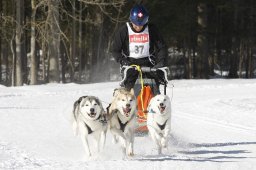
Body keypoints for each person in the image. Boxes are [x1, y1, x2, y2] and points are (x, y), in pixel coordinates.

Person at [112, 4, 168, 91]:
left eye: (141, 25)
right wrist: (123, 61)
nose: (138, 27)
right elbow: (115, 50)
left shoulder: (151, 30)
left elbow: (162, 47)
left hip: (148, 62)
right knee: (129, 91)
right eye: (135, 25)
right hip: (130, 63)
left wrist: (161, 61)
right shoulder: (124, 31)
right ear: (131, 21)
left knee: (154, 87)